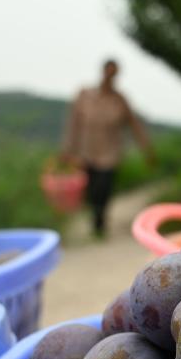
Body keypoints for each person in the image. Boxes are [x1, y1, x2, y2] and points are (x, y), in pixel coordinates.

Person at [60, 59, 155, 237]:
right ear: (103, 71)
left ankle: (99, 224)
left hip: (110, 154)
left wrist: (146, 149)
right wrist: (67, 150)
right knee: (92, 190)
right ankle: (95, 219)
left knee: (103, 188)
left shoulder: (120, 100)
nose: (110, 76)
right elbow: (73, 124)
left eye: (114, 73)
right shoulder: (84, 95)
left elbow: (135, 126)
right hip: (86, 153)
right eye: (108, 72)